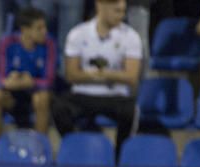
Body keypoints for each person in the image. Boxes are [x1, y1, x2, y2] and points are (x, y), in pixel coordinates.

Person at [51, 0, 142, 155]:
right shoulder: (78, 34)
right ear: (101, 6)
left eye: (123, 11)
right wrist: (111, 75)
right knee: (59, 107)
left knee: (131, 112)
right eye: (117, 11)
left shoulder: (131, 37)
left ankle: (119, 156)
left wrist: (96, 74)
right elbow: (71, 75)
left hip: (115, 96)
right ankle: (74, 146)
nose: (122, 16)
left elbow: (132, 77)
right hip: (82, 94)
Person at [0, 7, 55, 144]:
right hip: (13, 95)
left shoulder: (49, 44)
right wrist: (11, 82)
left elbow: (49, 80)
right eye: (39, 28)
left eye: (44, 27)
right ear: (25, 29)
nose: (44, 32)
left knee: (42, 98)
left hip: (35, 94)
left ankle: (40, 147)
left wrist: (31, 82)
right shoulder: (8, 43)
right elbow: (1, 78)